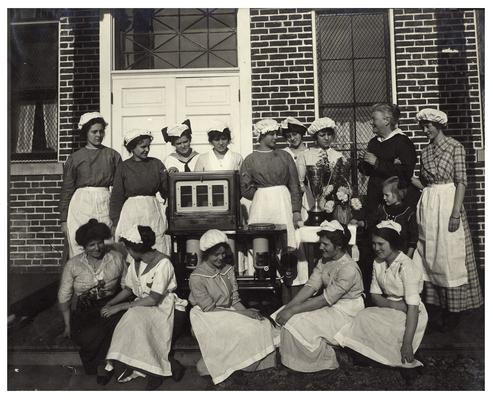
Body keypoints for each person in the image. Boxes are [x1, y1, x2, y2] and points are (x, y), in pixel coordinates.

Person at [411, 108, 483, 327]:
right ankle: (436, 308)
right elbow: (425, 183)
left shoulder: (455, 147)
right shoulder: (425, 151)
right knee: (431, 254)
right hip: (429, 204)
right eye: (423, 127)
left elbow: (462, 181)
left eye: (429, 126)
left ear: (439, 125)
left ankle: (454, 312)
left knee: (449, 254)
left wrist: (455, 213)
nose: (425, 130)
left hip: (448, 202)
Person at [334, 221, 428, 377]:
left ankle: (393, 356)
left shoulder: (407, 267)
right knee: (363, 316)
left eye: (381, 244)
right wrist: (395, 305)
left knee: (382, 328)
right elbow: (375, 296)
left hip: (412, 314)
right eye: (373, 244)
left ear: (394, 243)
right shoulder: (378, 263)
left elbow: (412, 308)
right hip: (393, 307)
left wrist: (407, 344)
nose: (376, 248)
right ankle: (366, 356)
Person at [188, 229, 279, 384]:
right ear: (206, 254)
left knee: (261, 324)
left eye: (223, 253)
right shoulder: (196, 277)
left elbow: (235, 300)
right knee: (246, 328)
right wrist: (244, 315)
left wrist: (247, 312)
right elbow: (209, 309)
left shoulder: (228, 269)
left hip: (228, 311)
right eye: (216, 254)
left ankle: (258, 366)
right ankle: (237, 366)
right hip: (207, 316)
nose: (220, 258)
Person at [272, 220, 364, 372]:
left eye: (325, 244)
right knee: (281, 314)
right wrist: (289, 307)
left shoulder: (349, 268)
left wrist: (293, 311)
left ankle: (329, 357)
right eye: (321, 243)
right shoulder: (324, 260)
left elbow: (324, 299)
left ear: (339, 246)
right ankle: (282, 353)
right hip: (330, 305)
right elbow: (311, 286)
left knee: (295, 322)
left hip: (347, 312)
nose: (320, 247)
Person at [102, 225, 187, 390]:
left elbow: (155, 298)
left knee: (134, 317)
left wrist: (121, 307)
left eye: (127, 248)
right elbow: (128, 289)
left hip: (165, 307)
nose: (127, 251)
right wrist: (111, 303)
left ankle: (156, 372)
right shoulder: (135, 262)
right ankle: (152, 367)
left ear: (134, 248)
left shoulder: (163, 263)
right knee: (132, 318)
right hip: (143, 304)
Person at [57, 219, 126, 384]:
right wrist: (67, 326)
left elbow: (127, 287)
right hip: (85, 309)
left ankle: (105, 365)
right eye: (91, 245)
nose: (98, 248)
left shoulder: (116, 258)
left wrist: (117, 305)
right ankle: (104, 362)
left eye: (100, 243)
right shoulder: (73, 265)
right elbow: (64, 298)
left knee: (115, 322)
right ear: (83, 247)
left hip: (112, 303)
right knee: (90, 333)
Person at [60, 112, 121, 257]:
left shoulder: (112, 155)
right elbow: (67, 189)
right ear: (85, 133)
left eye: (101, 131)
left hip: (104, 200)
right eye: (94, 132)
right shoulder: (75, 158)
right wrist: (63, 219)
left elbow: (120, 187)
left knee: (107, 242)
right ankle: (84, 277)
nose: (98, 135)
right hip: (81, 203)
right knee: (80, 243)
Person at [240, 119, 302, 250]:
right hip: (261, 206)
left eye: (276, 134)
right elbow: (244, 188)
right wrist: (261, 194)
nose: (276, 137)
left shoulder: (285, 156)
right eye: (271, 134)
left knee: (285, 242)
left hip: (283, 203)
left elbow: (294, 185)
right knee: (261, 243)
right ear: (262, 135)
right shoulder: (250, 159)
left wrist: (296, 211)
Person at [109, 129, 170, 255]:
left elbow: (167, 191)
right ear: (132, 147)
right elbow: (117, 197)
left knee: (156, 245)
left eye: (148, 146)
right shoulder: (124, 167)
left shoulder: (156, 164)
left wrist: (170, 178)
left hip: (152, 211)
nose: (147, 150)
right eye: (143, 146)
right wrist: (115, 221)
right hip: (131, 213)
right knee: (133, 245)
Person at [358, 103, 418, 217]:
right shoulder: (374, 142)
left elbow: (406, 173)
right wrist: (363, 161)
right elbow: (367, 171)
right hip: (375, 201)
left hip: (395, 203)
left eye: (374, 119)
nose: (371, 122)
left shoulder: (402, 142)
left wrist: (377, 162)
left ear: (386, 121)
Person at [297, 117, 348, 212]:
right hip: (310, 202)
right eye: (322, 135)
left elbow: (342, 182)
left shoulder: (338, 156)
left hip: (332, 203)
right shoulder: (305, 155)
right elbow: (300, 182)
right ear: (316, 136)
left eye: (329, 134)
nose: (326, 138)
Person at [371, 176, 418, 259]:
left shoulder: (408, 213)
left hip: (401, 256)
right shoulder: (381, 209)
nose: (384, 198)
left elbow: (413, 239)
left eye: (387, 195)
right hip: (382, 255)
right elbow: (372, 224)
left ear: (397, 194)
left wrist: (407, 258)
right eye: (383, 195)